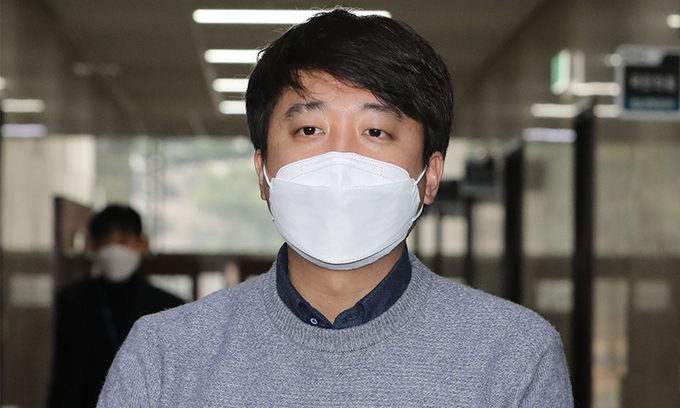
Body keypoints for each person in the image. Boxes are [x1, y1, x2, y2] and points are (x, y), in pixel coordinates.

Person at [98, 9, 573, 407]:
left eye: (375, 132)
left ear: (430, 176)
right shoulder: (165, 356)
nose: (340, 162)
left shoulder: (513, 356)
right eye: (309, 130)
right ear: (263, 172)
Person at [50, 205, 184, 408]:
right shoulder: (73, 300)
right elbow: (64, 375)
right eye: (105, 241)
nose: (114, 249)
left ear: (143, 243)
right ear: (93, 246)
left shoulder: (168, 305)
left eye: (123, 241)